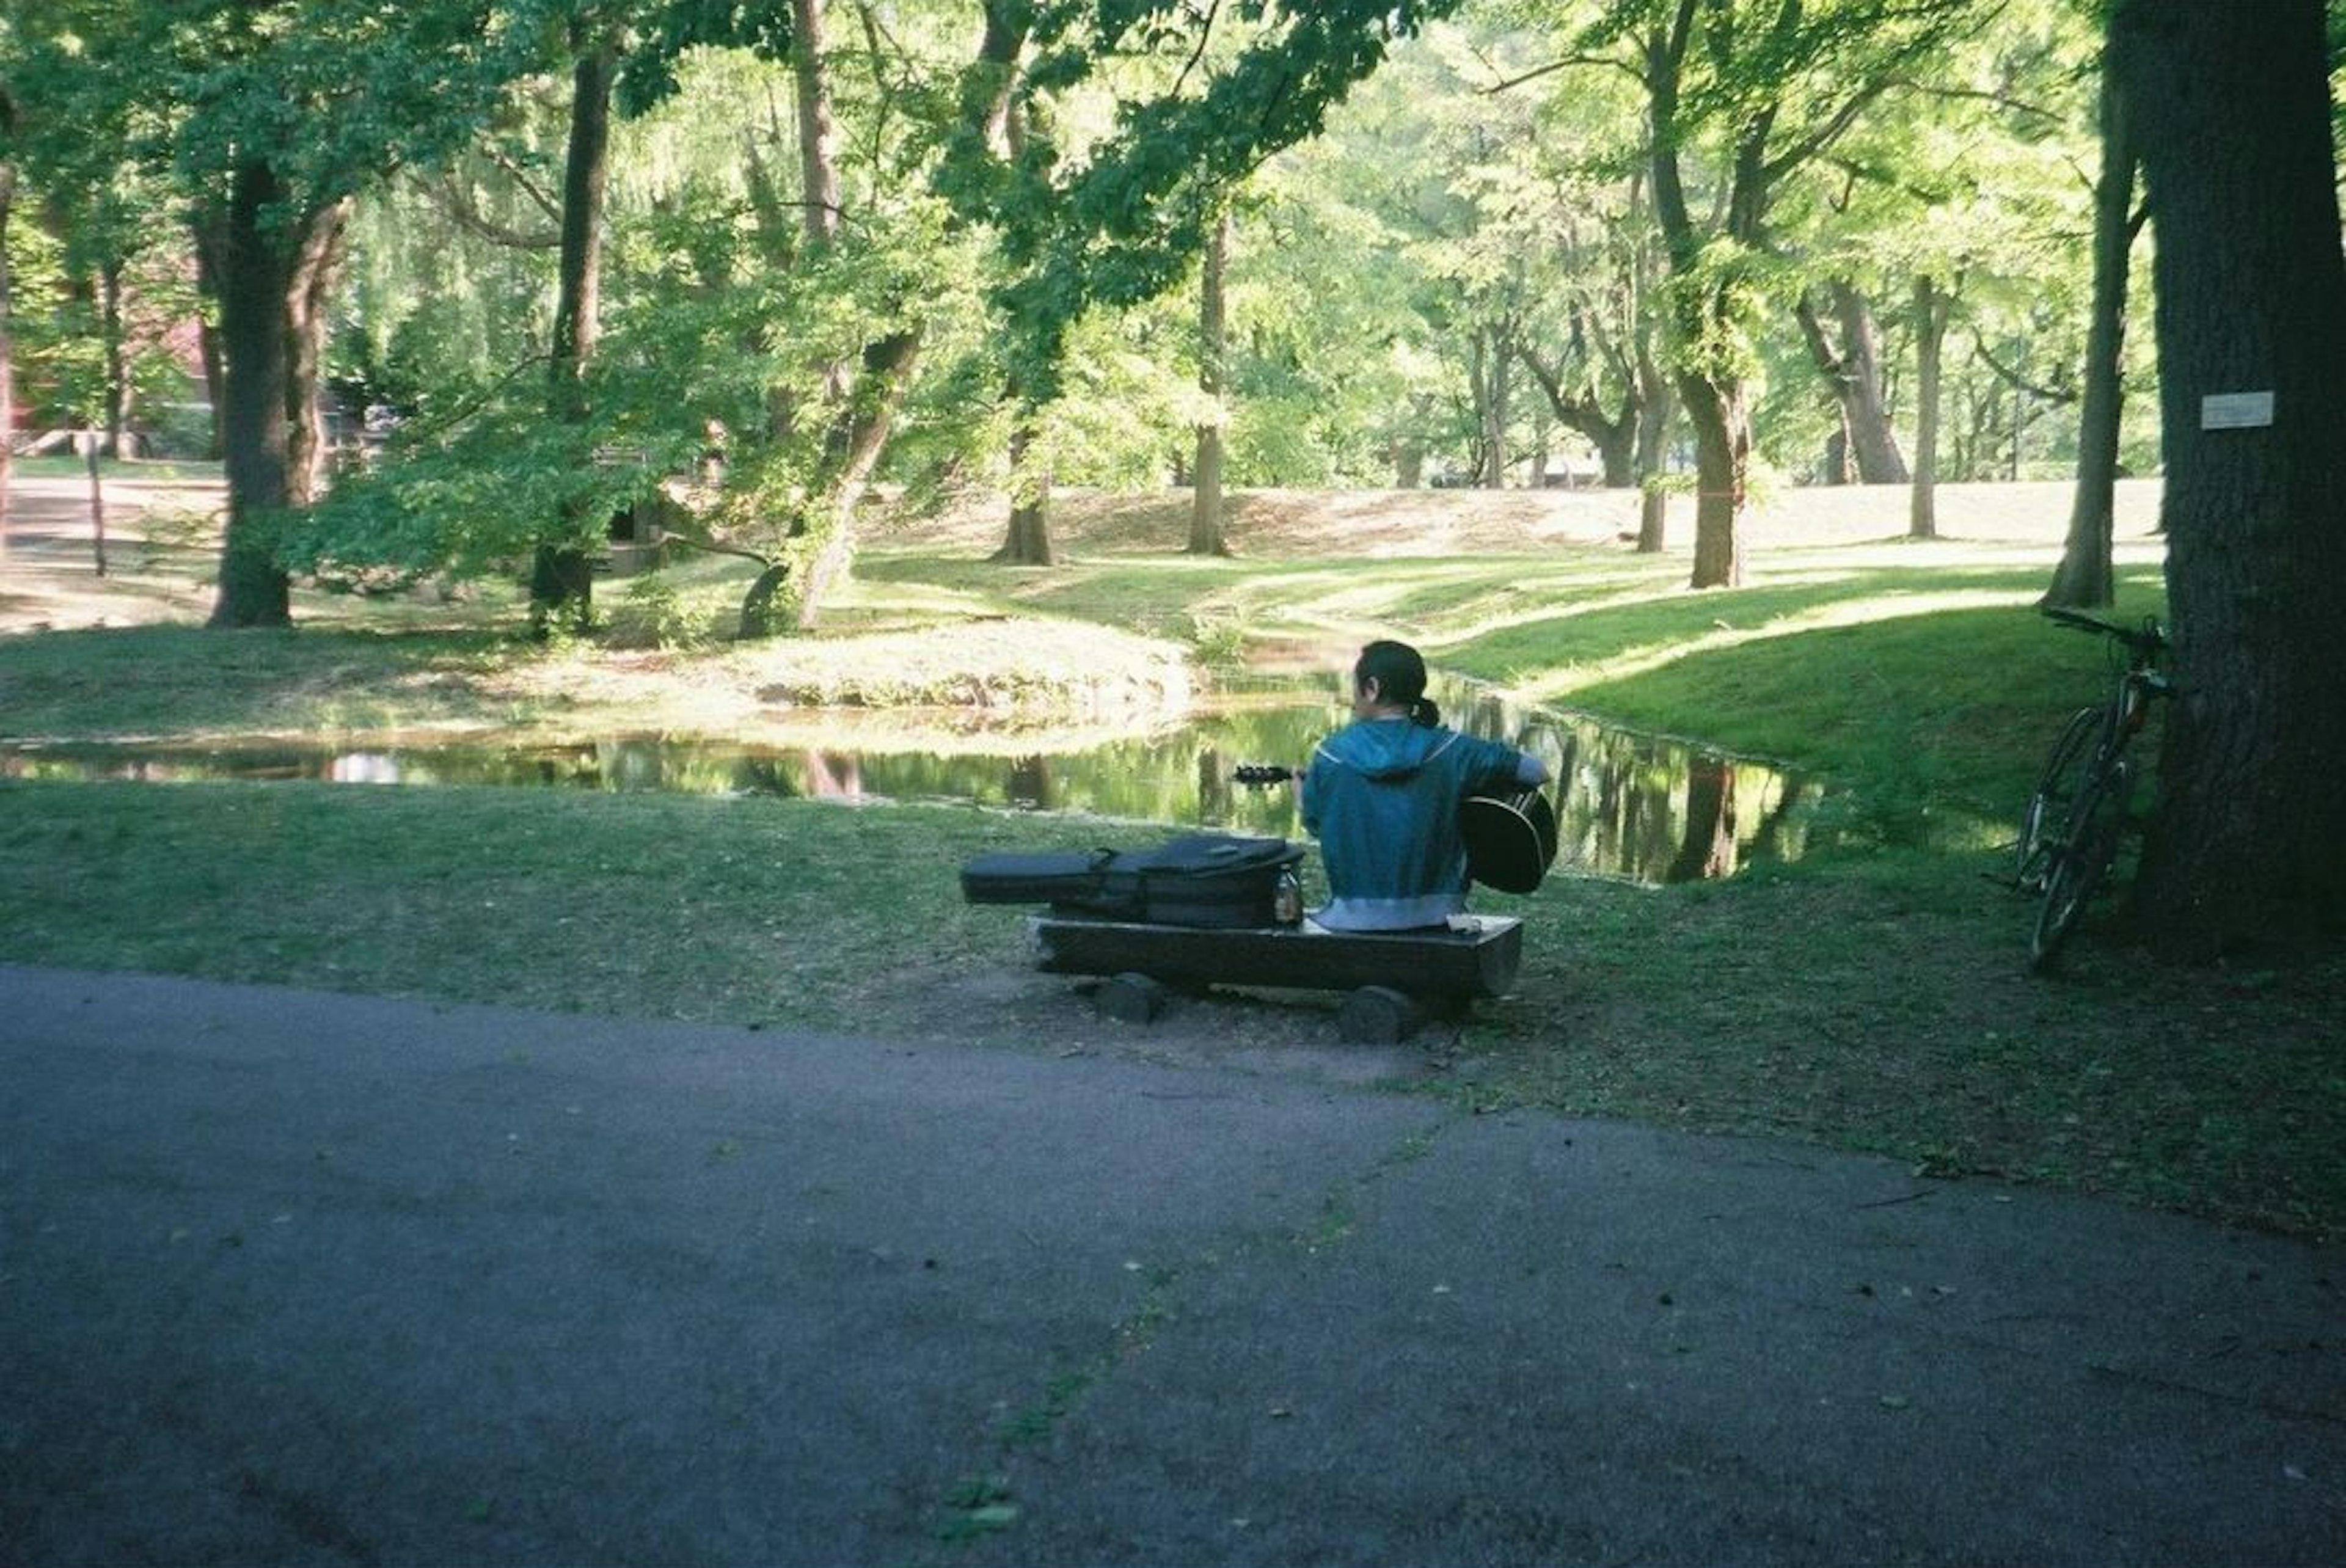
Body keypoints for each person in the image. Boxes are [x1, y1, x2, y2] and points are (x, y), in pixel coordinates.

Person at [1298, 639, 1550, 932]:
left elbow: (1316, 824)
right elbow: (1538, 772)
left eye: (1355, 686)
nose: (1353, 696)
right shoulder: (1455, 750)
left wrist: (1300, 795)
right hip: (1441, 915)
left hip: (1350, 919)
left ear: (1372, 688)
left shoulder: (1331, 755)